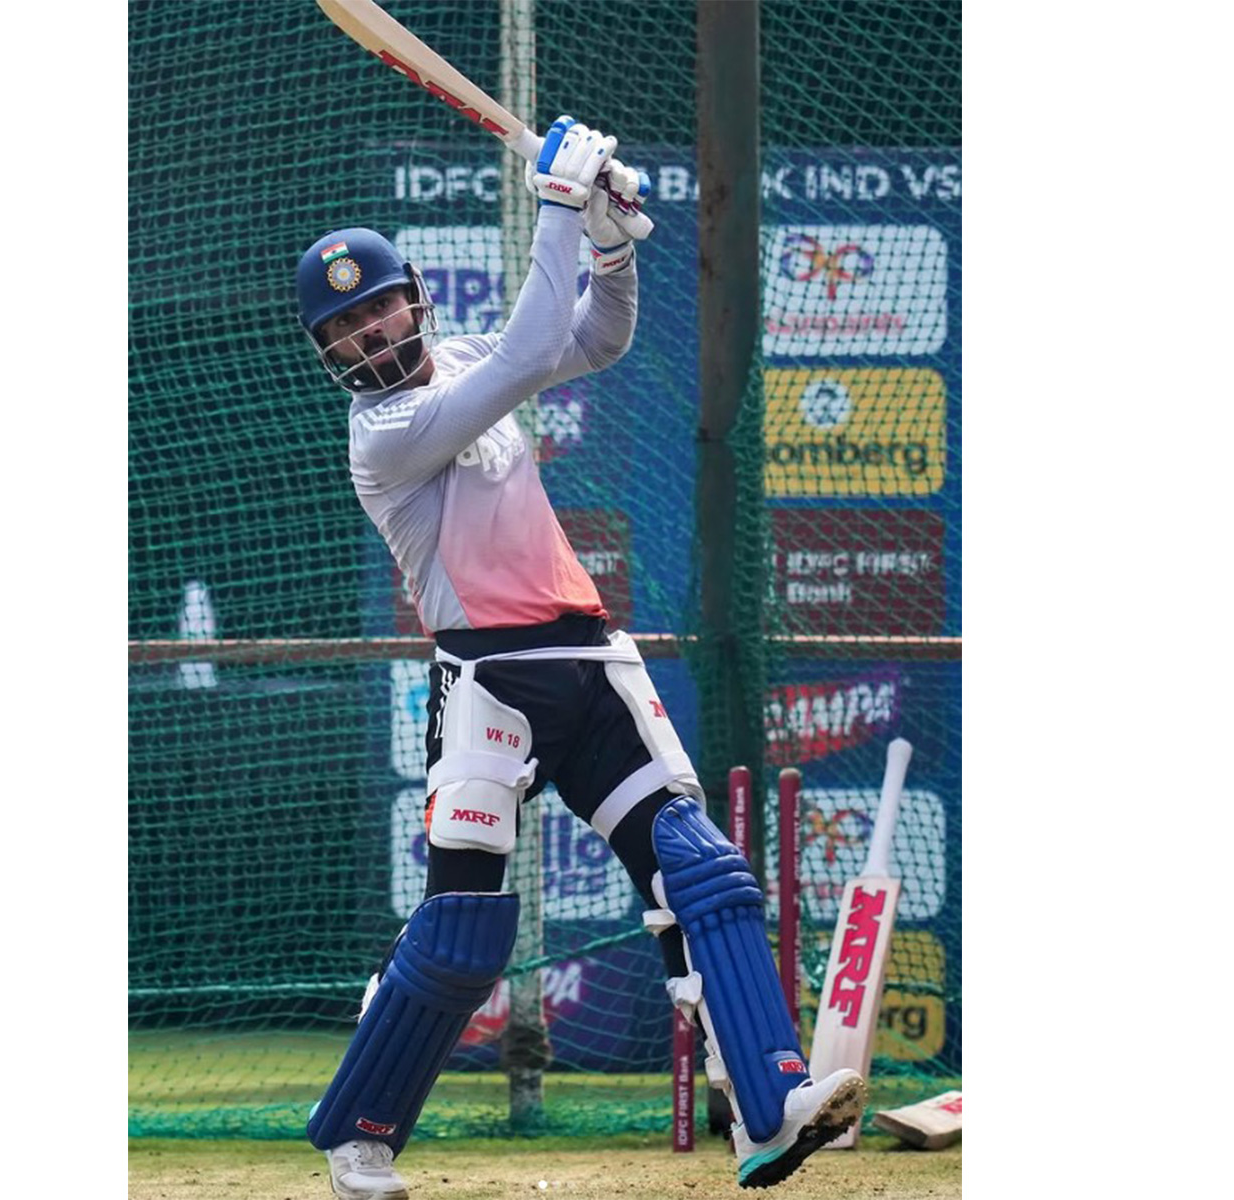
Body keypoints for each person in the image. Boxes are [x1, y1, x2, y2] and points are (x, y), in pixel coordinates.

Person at [294, 116, 864, 1200]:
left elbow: (591, 341)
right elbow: (522, 356)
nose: (370, 334)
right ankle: (358, 1136)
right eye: (347, 327)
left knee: (703, 870)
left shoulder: (459, 358)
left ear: (413, 296)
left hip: (590, 659)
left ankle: (772, 1102)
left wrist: (609, 245)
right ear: (330, 355)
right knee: (466, 930)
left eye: (378, 306)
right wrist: (557, 200)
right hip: (489, 683)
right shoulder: (385, 435)